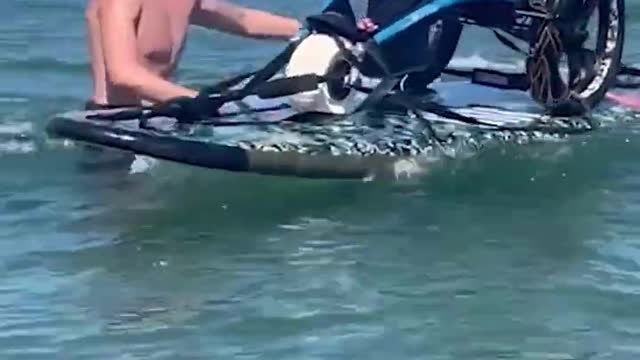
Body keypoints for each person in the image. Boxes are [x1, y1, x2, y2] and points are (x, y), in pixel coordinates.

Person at [85, 0, 302, 109]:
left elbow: (243, 20)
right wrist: (203, 101)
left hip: (164, 118)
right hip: (113, 124)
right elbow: (123, 74)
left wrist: (307, 31)